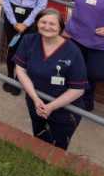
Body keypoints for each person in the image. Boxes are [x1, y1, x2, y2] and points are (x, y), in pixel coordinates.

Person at [15, 9, 88, 150]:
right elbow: (20, 70)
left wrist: (51, 107)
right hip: (36, 103)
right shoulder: (28, 40)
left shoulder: (73, 51)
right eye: (43, 22)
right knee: (39, 139)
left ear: (60, 27)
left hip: (64, 111)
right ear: (37, 23)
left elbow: (78, 89)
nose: (47, 27)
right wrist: (35, 99)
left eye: (52, 24)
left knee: (56, 148)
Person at [0, 0, 49, 95]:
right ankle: (10, 77)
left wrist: (26, 23)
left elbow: (41, 4)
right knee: (12, 48)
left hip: (30, 18)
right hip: (12, 15)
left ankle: (19, 78)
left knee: (25, 51)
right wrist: (14, 22)